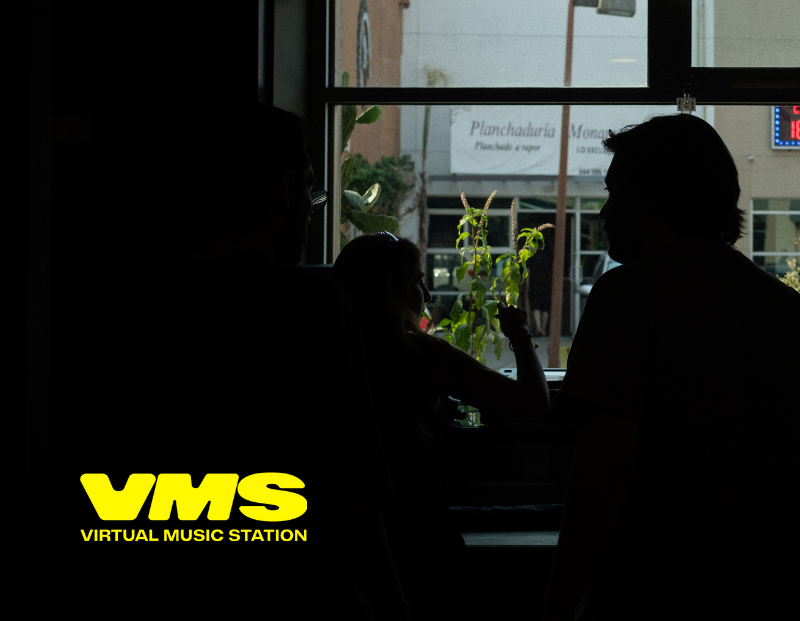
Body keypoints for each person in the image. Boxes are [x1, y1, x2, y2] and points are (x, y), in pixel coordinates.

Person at [54, 102, 411, 619]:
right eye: (310, 189)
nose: (311, 207)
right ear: (284, 188)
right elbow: (349, 485)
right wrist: (392, 604)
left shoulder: (119, 307)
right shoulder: (311, 307)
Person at [543, 113, 799, 621]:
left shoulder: (626, 297)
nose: (605, 212)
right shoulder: (783, 309)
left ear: (654, 199)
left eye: (615, 193)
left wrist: (560, 598)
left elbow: (607, 463)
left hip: (654, 583)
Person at [332, 232, 551, 618]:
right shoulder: (423, 355)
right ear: (396, 290)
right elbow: (532, 402)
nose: (428, 294)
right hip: (422, 527)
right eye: (419, 282)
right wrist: (519, 334)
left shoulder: (326, 355)